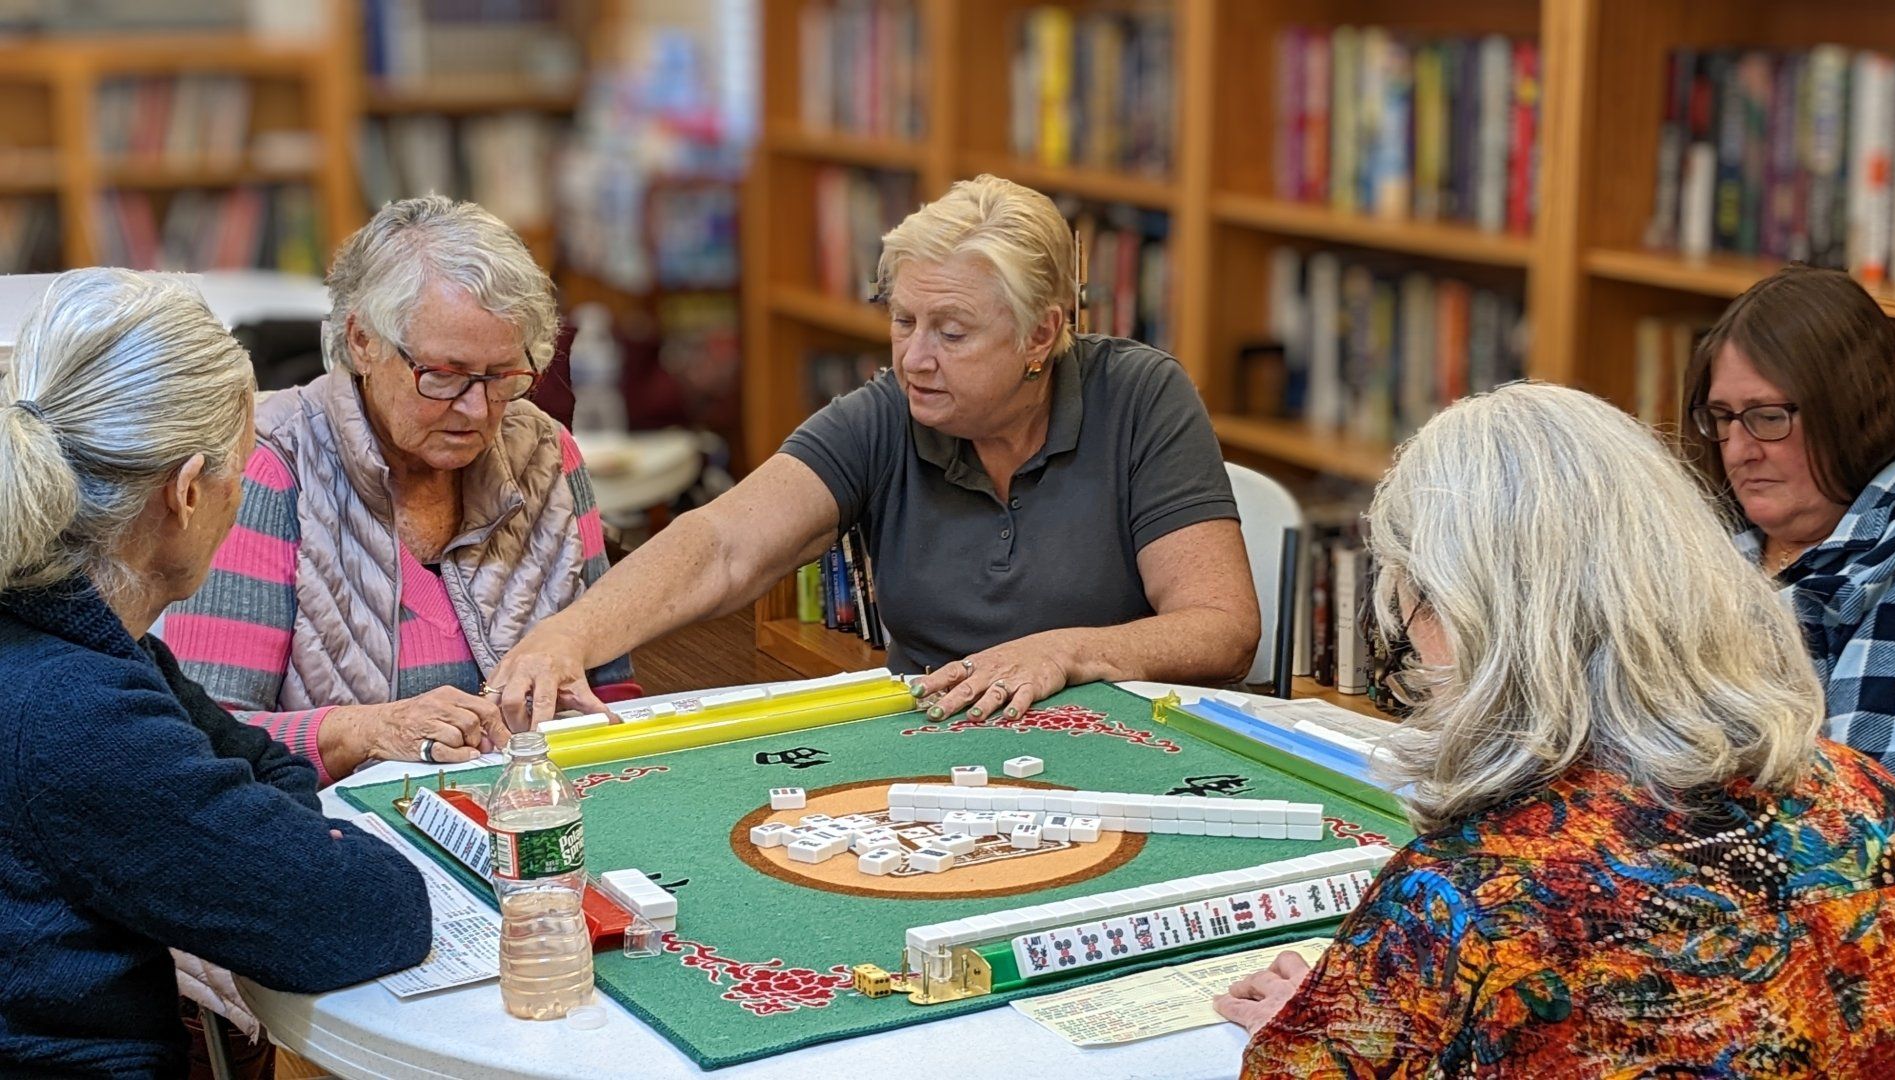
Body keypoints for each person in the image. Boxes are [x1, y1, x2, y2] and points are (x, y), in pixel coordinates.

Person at [1217, 383, 1895, 1075]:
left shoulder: (1467, 898)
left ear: (1464, 611)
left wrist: (1323, 1025)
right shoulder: (1880, 807)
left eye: (1409, 599)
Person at [489, 174, 1259, 728]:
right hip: (937, 747)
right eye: (903, 321)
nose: (915, 358)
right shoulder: (890, 410)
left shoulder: (1141, 396)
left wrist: (1065, 654)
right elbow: (722, 544)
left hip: (1126, 742)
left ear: (1042, 334)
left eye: (951, 333)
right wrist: (566, 637)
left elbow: (1221, 628)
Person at [0, 268, 431, 1075]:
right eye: (244, 466)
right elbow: (367, 912)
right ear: (188, 493)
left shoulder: (72, 640)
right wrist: (291, 846)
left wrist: (272, 842)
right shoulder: (77, 712)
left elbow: (262, 762)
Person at [165, 195, 637, 786]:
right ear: (362, 341)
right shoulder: (267, 467)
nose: (476, 409)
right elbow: (202, 738)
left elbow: (611, 684)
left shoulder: (545, 454)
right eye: (443, 374)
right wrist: (369, 731)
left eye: (502, 377)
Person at [1681, 264, 1895, 790]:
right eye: (1723, 417)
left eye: (1768, 417)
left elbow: (1871, 812)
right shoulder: (1697, 529)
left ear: (1857, 411)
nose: (1740, 451)